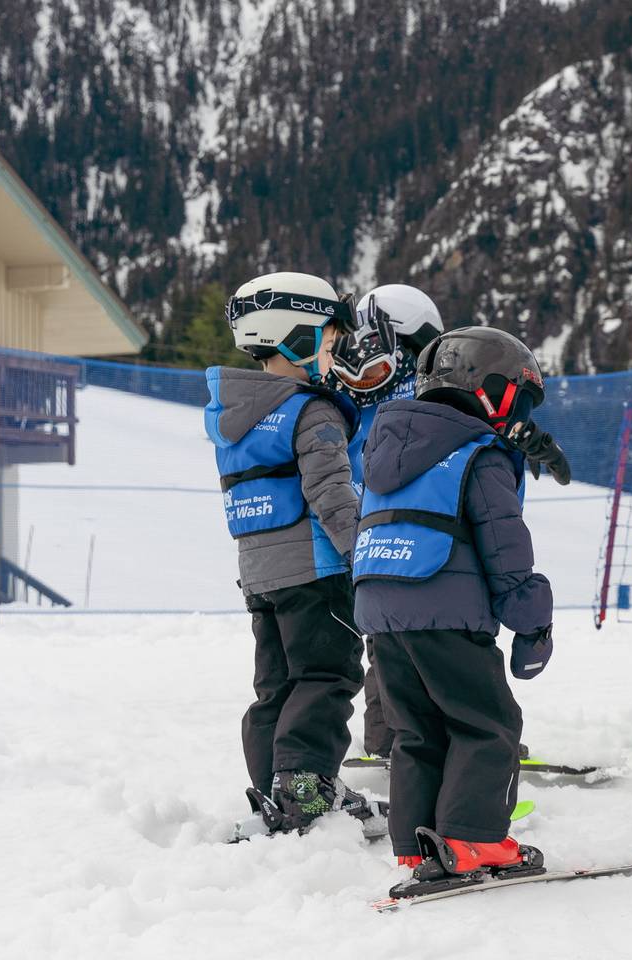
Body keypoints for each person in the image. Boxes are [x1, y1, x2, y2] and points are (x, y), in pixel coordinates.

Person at [350, 325, 572, 896]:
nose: (514, 417)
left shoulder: (388, 445)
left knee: (417, 733)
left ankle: (414, 844)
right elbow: (506, 549)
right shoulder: (480, 453)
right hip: (444, 610)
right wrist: (533, 622)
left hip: (382, 610)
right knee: (488, 725)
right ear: (490, 390)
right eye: (516, 401)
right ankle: (474, 840)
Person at [205, 271, 374, 834]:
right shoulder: (312, 411)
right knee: (326, 675)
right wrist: (362, 557)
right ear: (295, 336)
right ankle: (304, 789)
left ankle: (274, 788)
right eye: (328, 343)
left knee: (275, 685)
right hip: (317, 570)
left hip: (260, 575)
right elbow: (331, 493)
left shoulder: (236, 419)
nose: (332, 357)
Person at [329, 284, 445, 764]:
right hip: (393, 545)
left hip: (390, 545)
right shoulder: (360, 409)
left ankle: (387, 736)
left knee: (394, 645)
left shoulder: (383, 406)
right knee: (416, 644)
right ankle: (403, 736)